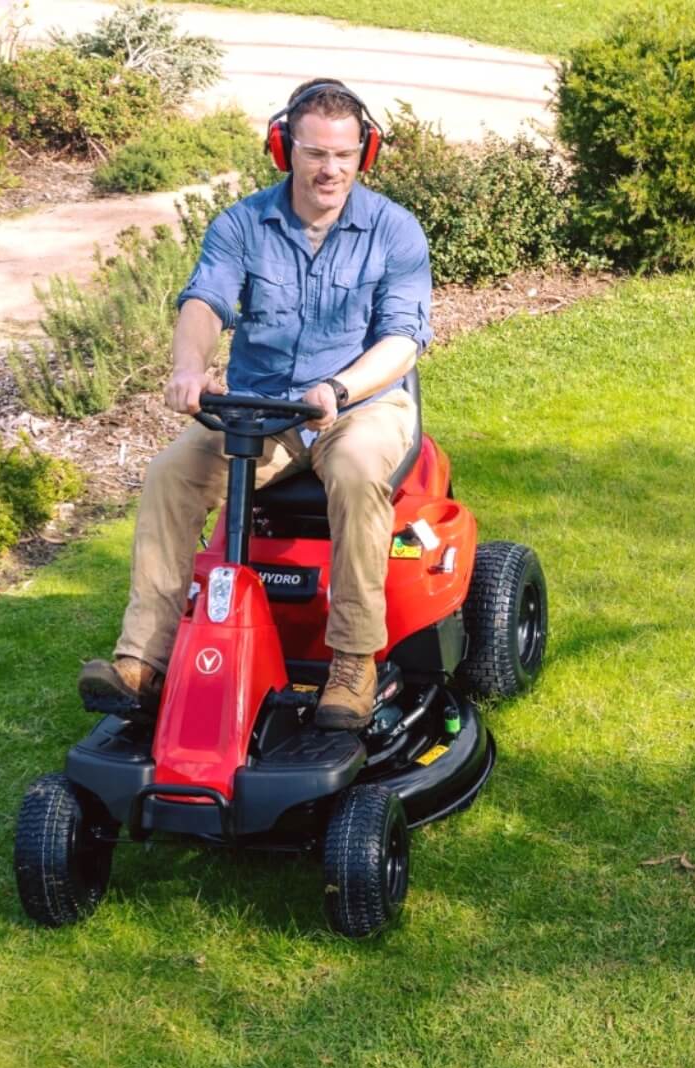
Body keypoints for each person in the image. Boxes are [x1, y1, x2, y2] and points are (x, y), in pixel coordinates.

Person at [77, 78, 433, 731]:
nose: (329, 169)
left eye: (343, 155)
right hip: (260, 409)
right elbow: (205, 301)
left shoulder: (394, 231)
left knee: (356, 473)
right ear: (284, 149)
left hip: (361, 405)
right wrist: (189, 368)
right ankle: (141, 662)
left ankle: (354, 662)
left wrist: (340, 389)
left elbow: (402, 340)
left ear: (365, 155)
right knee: (170, 474)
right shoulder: (242, 225)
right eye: (314, 153)